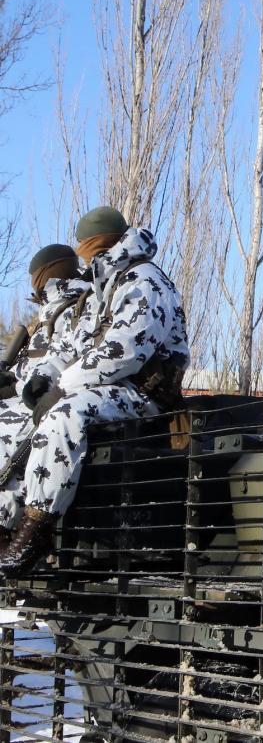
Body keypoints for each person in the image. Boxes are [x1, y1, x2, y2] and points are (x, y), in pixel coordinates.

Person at [0, 208, 189, 574]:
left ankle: (35, 532)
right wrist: (43, 378)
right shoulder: (108, 284)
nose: (82, 255)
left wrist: (64, 387)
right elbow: (75, 345)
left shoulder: (145, 281)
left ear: (101, 244)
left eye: (86, 247)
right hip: (107, 389)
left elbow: (124, 351)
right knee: (10, 420)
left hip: (142, 394)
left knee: (63, 416)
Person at [0, 246, 91, 540]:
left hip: (54, 400)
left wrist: (23, 386)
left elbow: (59, 364)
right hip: (38, 397)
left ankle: (5, 527)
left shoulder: (76, 306)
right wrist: (12, 383)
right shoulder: (48, 312)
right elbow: (34, 370)